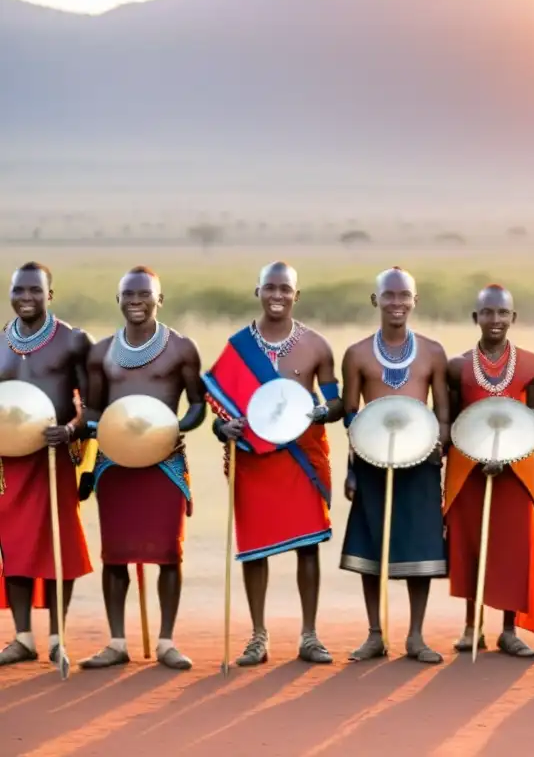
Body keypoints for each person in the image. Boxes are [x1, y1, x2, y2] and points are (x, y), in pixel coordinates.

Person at [207, 262, 342, 666]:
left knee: (308, 548)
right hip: (254, 461)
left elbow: (335, 403)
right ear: (258, 292)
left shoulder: (317, 346)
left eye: (285, 289)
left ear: (296, 295)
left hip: (299, 459)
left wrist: (316, 413)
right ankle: (257, 637)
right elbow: (220, 409)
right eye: (270, 288)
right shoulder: (236, 347)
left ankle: (309, 636)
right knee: (254, 551)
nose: (278, 295)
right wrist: (222, 428)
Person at [76, 267, 206, 671]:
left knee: (168, 553)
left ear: (159, 299)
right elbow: (94, 408)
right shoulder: (100, 352)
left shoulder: (182, 348)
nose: (136, 300)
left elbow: (198, 403)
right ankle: (117, 642)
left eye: (144, 294)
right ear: (118, 300)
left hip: (164, 461)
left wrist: (177, 428)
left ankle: (167, 641)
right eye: (128, 294)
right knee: (115, 555)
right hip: (115, 463)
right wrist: (101, 429)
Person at [340, 267, 450, 664]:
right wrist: (352, 469)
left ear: (415, 301)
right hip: (372, 461)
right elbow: (351, 415)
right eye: (389, 295)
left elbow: (443, 412)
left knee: (420, 550)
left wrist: (437, 448)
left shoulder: (434, 352)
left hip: (420, 463)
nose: (397, 302)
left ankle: (416, 637)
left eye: (404, 295)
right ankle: (374, 634)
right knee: (373, 549)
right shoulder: (356, 354)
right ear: (376, 301)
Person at [444, 285, 534, 658]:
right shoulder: (457, 366)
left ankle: (508, 630)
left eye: (502, 313)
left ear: (513, 318)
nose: (495, 320)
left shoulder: (530, 366)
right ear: (476, 318)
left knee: (511, 548)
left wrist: (511, 456)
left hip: (515, 472)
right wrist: (471, 456)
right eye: (487, 313)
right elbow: (453, 422)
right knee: (473, 545)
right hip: (470, 471)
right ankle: (473, 628)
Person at [0, 262, 93, 667]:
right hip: (9, 460)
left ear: (49, 295)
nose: (26, 298)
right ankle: (22, 637)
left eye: (35, 291)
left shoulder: (73, 340)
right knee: (14, 546)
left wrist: (72, 430)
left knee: (60, 544)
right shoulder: (0, 340)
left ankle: (57, 637)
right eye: (19, 290)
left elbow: (91, 406)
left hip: (54, 455)